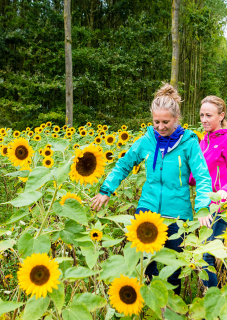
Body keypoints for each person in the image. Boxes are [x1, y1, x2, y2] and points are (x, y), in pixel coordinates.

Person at [91, 84, 212, 294]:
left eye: (166, 122)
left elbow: (202, 177)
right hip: (147, 210)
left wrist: (202, 207)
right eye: (156, 122)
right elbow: (123, 165)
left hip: (178, 215)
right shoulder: (146, 141)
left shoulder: (189, 143)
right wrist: (106, 190)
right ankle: (150, 300)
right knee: (144, 262)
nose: (160, 126)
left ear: (176, 119)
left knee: (175, 266)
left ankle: (171, 307)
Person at [190, 95, 227, 289]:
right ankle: (216, 298)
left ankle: (213, 303)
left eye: (209, 115)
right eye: (202, 115)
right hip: (205, 206)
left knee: (206, 256)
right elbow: (199, 176)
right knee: (210, 256)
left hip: (222, 206)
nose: (204, 119)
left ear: (221, 115)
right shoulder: (204, 141)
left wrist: (224, 191)